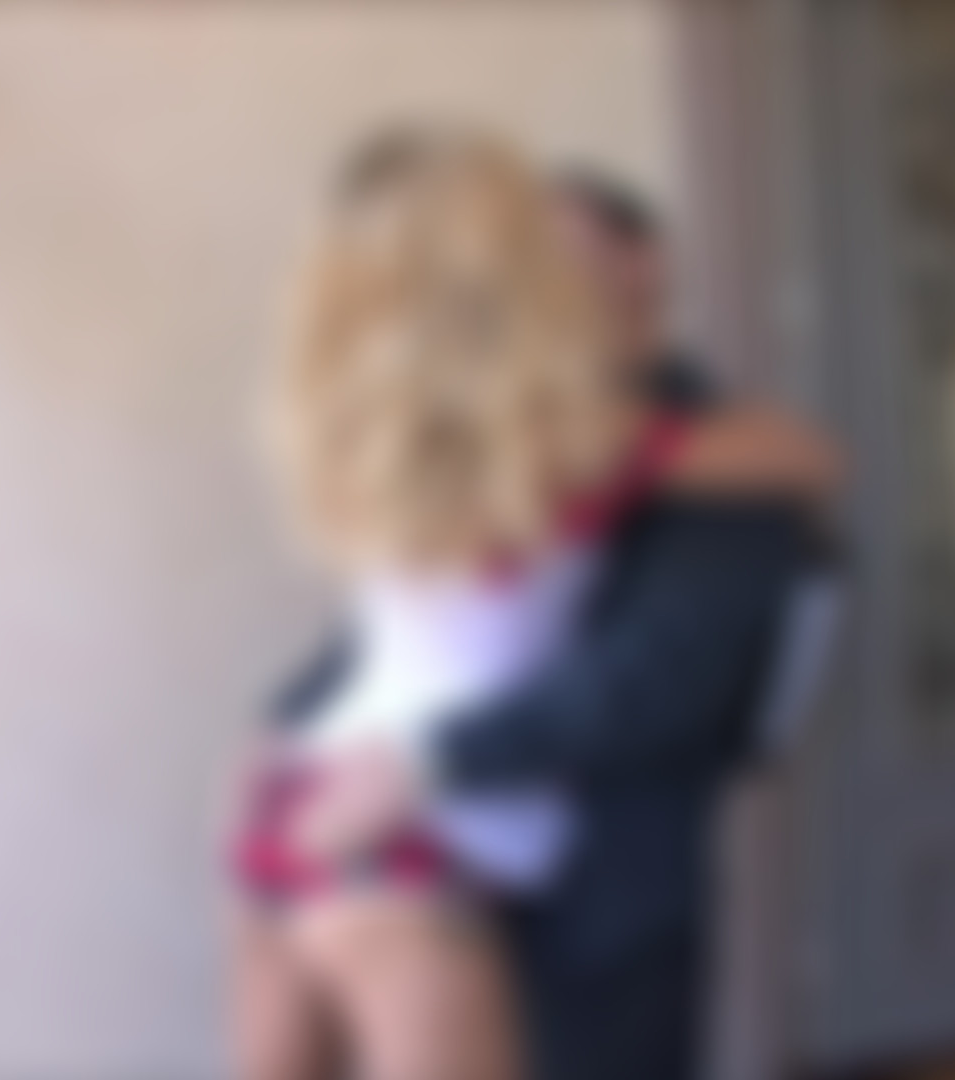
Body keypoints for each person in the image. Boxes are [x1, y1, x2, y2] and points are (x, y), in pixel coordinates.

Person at [261, 158, 845, 1080]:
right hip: (405, 837)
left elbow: (660, 679)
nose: (518, 280)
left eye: (546, 255)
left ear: (642, 270)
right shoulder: (473, 419)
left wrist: (415, 760)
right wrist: (293, 722)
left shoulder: (691, 450)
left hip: (592, 897)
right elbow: (404, 618)